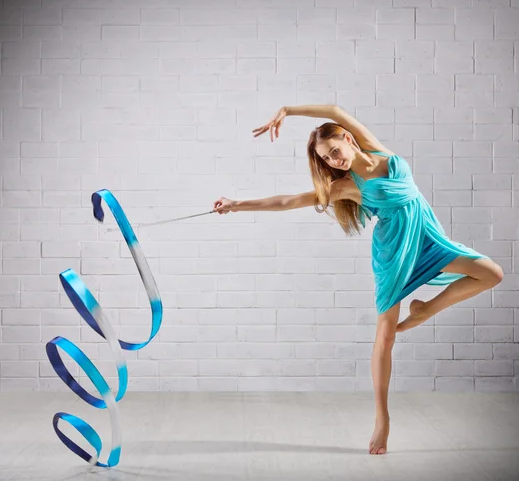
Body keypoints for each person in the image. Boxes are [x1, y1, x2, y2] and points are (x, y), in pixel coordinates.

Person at [213, 105, 504, 455]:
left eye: (335, 151)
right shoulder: (347, 186)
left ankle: (425, 309)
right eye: (327, 159)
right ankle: (382, 418)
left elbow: (334, 109)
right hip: (394, 251)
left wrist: (288, 110)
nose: (334, 161)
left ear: (349, 139)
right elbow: (289, 201)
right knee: (385, 335)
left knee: (490, 273)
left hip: (427, 238)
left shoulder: (378, 150)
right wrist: (237, 203)